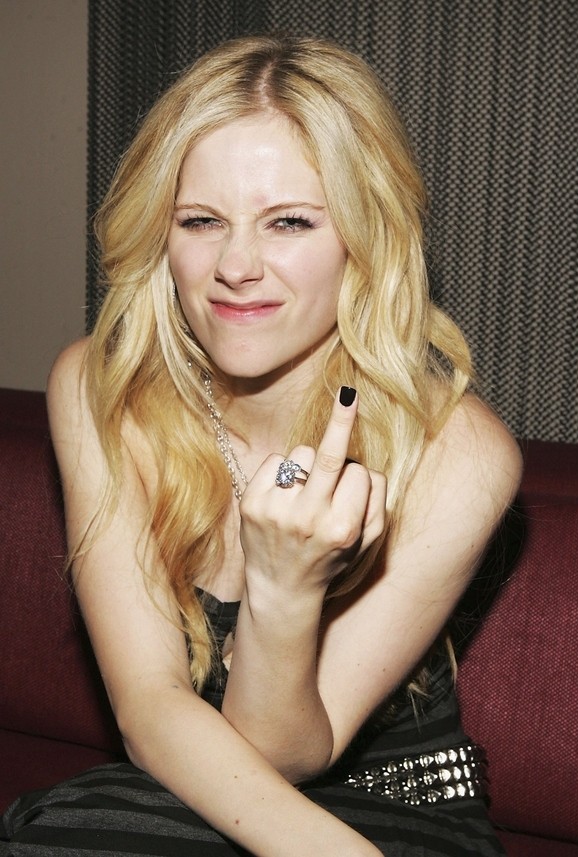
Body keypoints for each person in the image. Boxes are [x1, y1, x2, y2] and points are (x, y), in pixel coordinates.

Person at [1, 33, 522, 856]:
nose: (236, 265)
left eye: (288, 221)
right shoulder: (101, 390)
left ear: (364, 235)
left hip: (388, 803)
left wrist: (281, 590)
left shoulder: (455, 451)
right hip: (183, 776)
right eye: (201, 220)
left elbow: (283, 755)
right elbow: (149, 705)